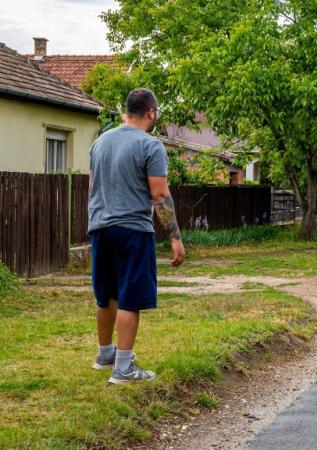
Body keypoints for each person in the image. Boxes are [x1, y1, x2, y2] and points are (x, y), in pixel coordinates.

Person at [88, 88, 185, 384]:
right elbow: (159, 195)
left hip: (100, 228)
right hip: (132, 230)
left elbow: (92, 188)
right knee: (130, 298)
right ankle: (123, 369)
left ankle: (105, 354)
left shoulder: (99, 143)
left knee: (106, 295)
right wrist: (175, 237)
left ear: (127, 111)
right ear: (151, 112)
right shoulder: (150, 145)